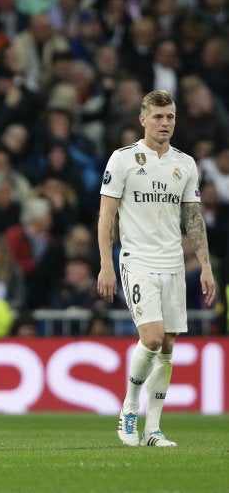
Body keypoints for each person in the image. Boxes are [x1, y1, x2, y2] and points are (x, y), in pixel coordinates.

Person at [97, 89, 216, 448]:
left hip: (173, 264)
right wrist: (105, 263)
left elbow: (193, 218)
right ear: (143, 119)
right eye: (159, 117)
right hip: (137, 260)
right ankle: (129, 408)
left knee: (167, 345)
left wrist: (206, 266)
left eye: (171, 117)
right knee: (150, 338)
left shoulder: (185, 164)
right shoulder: (123, 160)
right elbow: (106, 215)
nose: (165, 123)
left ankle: (154, 429)